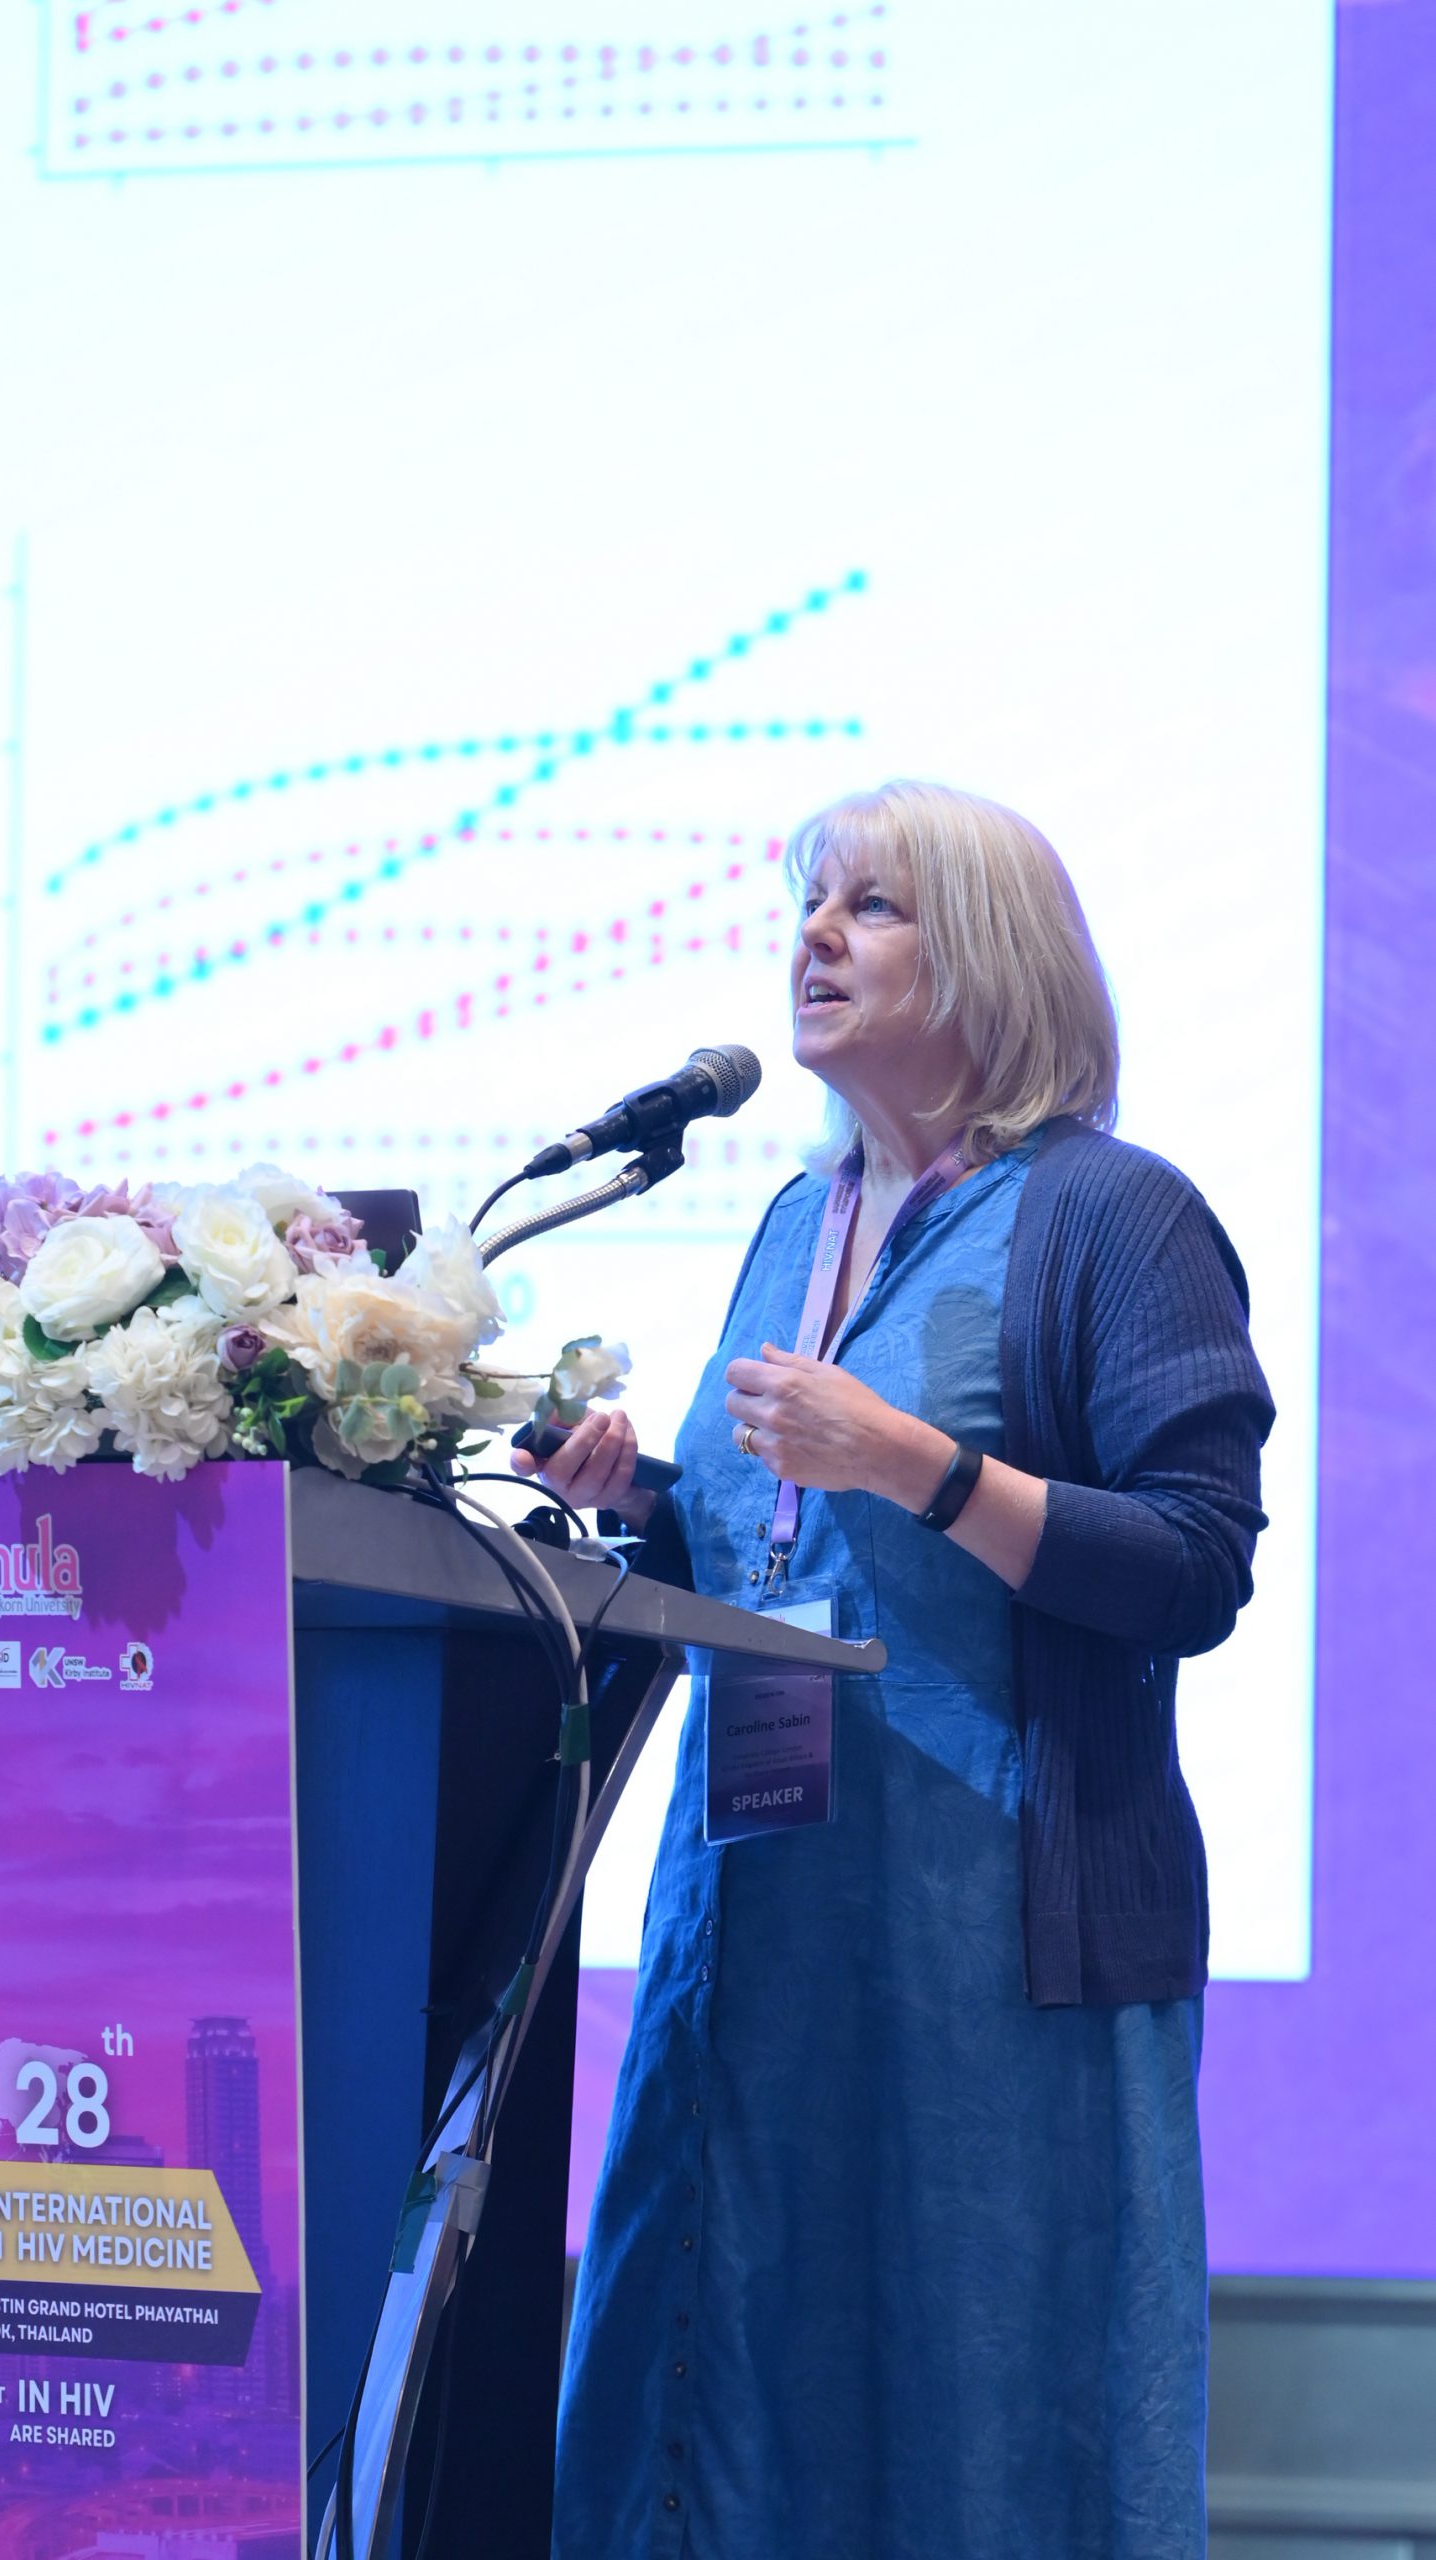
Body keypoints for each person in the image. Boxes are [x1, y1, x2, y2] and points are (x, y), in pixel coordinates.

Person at [518, 780, 1274, 2560]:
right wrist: (640, 1502)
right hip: (757, 1919)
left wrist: (920, 1465)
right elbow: (769, 1556)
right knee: (720, 2402)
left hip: (987, 1953)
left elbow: (1192, 1564)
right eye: (808, 902)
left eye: (869, 906)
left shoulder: (1111, 1214)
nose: (813, 936)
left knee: (971, 2420)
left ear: (989, 955)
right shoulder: (794, 1223)